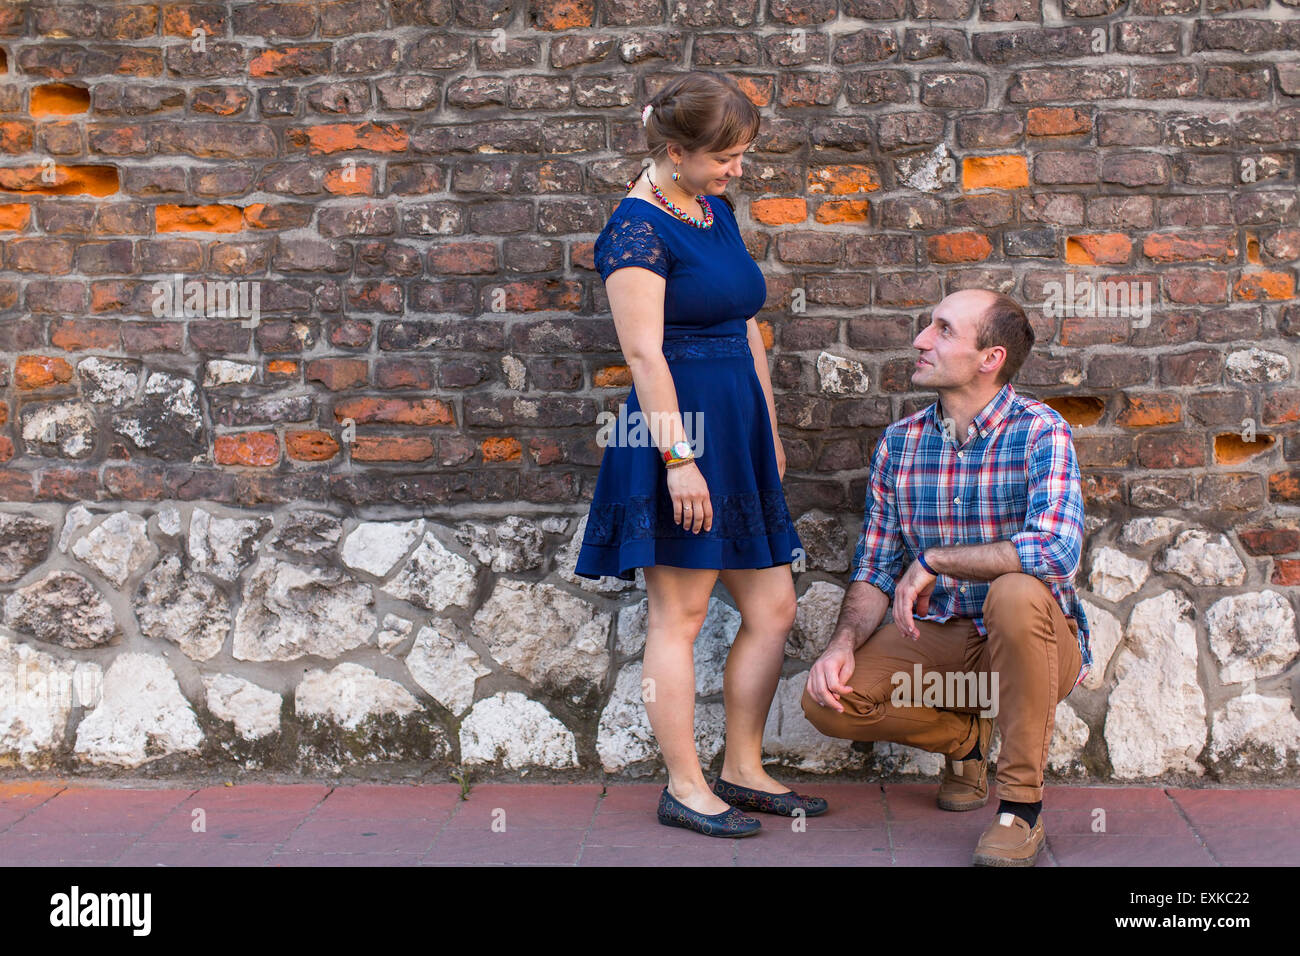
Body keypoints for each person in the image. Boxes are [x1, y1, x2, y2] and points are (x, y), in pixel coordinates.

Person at [574, 71, 826, 838]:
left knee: (773, 606)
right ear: (677, 151)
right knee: (679, 615)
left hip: (740, 429)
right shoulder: (634, 230)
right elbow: (645, 357)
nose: (738, 170)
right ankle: (684, 786)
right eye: (727, 157)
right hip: (679, 432)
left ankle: (742, 769)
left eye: (743, 155)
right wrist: (680, 461)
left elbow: (745, 324)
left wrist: (771, 431)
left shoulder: (712, 209)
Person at [801, 289, 1092, 866]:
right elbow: (876, 566)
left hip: (1030, 644)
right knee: (827, 704)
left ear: (990, 358)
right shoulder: (900, 443)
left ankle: (1020, 809)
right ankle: (967, 741)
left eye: (942, 330)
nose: (920, 340)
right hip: (937, 641)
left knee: (1013, 591)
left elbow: (1057, 550)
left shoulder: (1041, 431)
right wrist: (840, 644)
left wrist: (936, 559)